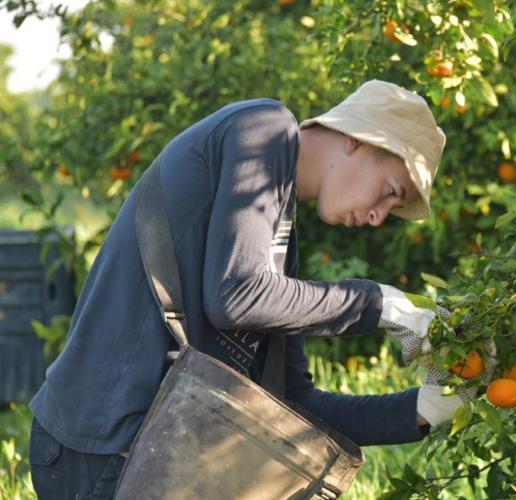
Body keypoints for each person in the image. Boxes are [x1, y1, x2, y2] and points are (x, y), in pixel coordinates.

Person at [27, 80, 476, 499]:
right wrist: (381, 305)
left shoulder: (278, 239)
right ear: (358, 138)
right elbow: (237, 296)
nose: (380, 217)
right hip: (105, 448)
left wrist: (422, 409)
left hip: (148, 450)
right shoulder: (264, 127)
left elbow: (291, 402)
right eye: (390, 191)